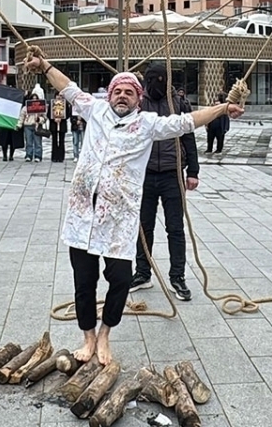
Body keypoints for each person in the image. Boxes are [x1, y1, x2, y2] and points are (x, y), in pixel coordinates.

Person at [24, 51, 244, 366]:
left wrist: (223, 107)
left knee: (121, 279)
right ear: (109, 95)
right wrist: (45, 66)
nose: (122, 96)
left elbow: (186, 122)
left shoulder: (147, 124)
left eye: (129, 92)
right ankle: (87, 337)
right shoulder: (95, 110)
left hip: (119, 219)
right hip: (83, 214)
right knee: (83, 282)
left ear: (138, 98)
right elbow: (67, 87)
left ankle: (105, 335)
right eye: (118, 91)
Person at [129, 64, 199, 301]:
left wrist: (193, 171)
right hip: (145, 174)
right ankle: (142, 272)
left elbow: (188, 137)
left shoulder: (177, 103)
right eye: (153, 80)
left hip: (173, 173)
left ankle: (177, 277)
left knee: (175, 228)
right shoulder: (139, 103)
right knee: (143, 227)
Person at [18, 93, 45, 162]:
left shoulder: (41, 107)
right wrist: (19, 124)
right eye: (33, 99)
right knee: (29, 142)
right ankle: (28, 155)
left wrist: (39, 119)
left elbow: (44, 118)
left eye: (36, 99)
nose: (34, 100)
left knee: (38, 142)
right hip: (28, 126)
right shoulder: (25, 108)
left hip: (37, 126)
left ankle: (38, 156)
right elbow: (22, 117)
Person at [48, 91, 71, 163]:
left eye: (60, 96)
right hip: (54, 125)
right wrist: (54, 118)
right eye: (57, 95)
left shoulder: (65, 104)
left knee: (61, 141)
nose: (59, 97)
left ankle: (61, 157)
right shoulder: (52, 104)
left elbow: (68, 114)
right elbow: (48, 114)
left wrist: (62, 118)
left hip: (62, 124)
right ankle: (54, 157)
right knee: (54, 141)